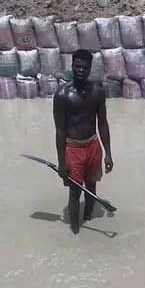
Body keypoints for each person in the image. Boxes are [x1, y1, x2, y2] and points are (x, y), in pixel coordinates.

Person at [53, 49, 113, 234]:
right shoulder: (62, 95)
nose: (80, 70)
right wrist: (62, 163)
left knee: (91, 187)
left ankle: (88, 218)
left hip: (93, 146)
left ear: (89, 69)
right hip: (73, 149)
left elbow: (102, 123)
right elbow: (60, 131)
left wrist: (108, 154)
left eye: (84, 68)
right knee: (74, 192)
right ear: (71, 66)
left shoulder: (97, 91)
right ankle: (75, 230)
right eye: (77, 66)